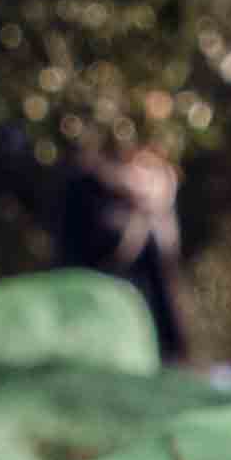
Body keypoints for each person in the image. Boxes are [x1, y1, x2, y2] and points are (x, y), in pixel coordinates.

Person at [53, 113, 193, 364]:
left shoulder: (158, 206)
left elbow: (165, 275)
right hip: (90, 314)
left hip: (151, 331)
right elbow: (101, 253)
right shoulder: (88, 189)